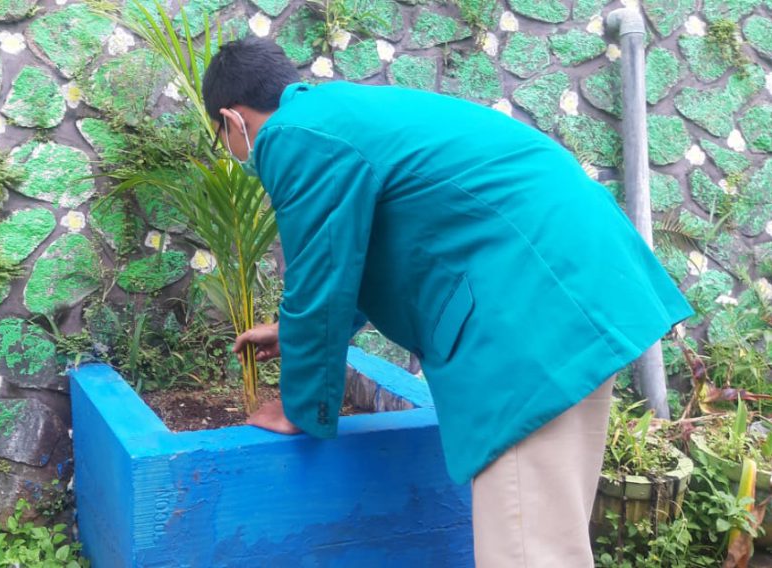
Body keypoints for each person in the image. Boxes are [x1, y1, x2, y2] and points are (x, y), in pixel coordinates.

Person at [204, 37, 693, 567]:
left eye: (221, 140)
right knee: (552, 535)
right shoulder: (337, 113)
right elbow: (357, 257)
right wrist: (294, 334)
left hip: (526, 309)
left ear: (232, 120)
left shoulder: (290, 135)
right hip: (574, 283)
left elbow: (318, 273)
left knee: (527, 549)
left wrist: (299, 407)